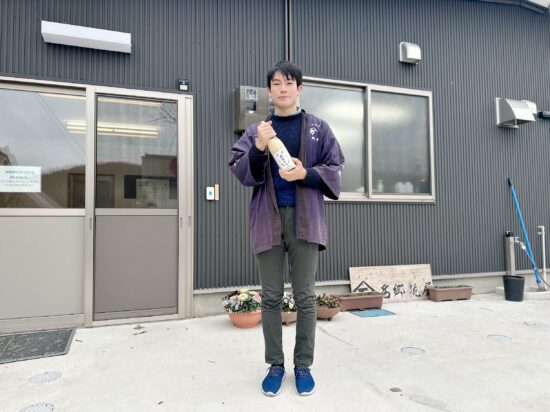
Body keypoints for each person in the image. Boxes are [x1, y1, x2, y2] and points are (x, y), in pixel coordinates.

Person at [228, 60, 345, 396]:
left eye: (289, 83)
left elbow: (336, 166)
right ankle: (275, 364)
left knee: (305, 295)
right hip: (267, 218)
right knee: (271, 296)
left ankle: (303, 364)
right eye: (276, 84)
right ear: (269, 91)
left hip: (306, 219)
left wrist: (305, 173)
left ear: (299, 89)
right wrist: (258, 147)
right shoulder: (257, 130)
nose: (283, 89)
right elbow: (240, 169)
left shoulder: (318, 128)